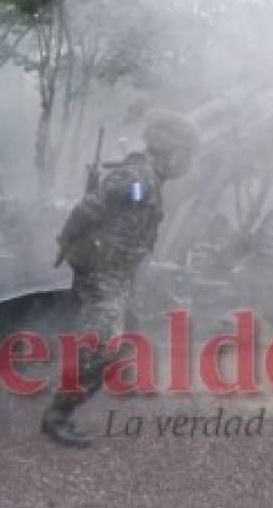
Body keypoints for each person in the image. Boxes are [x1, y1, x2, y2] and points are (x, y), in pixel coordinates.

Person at [40, 112, 201, 448]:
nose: (188, 163)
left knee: (128, 331)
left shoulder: (149, 181)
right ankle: (58, 415)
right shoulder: (138, 178)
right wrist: (65, 241)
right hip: (103, 273)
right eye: (186, 154)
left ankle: (106, 372)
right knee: (104, 345)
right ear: (169, 151)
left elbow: (132, 215)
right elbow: (91, 208)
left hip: (121, 271)